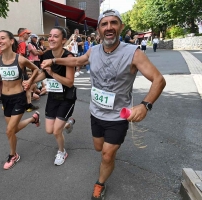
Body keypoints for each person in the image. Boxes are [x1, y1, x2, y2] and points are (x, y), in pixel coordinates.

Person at [41, 9, 166, 199]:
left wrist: (144, 105)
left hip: (118, 116)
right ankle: (109, 150)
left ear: (121, 27)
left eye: (113, 23)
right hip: (96, 113)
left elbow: (158, 79)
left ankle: (100, 183)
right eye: (104, 24)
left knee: (107, 154)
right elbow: (76, 60)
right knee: (99, 148)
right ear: (98, 29)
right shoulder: (94, 50)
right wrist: (53, 59)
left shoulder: (134, 53)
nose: (109, 27)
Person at [0, 30, 40, 170]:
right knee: (13, 130)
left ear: (11, 41)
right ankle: (33, 119)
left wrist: (29, 81)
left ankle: (13, 155)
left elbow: (36, 69)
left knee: (9, 130)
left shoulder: (20, 59)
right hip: (6, 98)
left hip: (19, 98)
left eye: (3, 38)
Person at [29, 26, 76, 166]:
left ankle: (62, 152)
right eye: (50, 35)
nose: (51, 38)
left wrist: (53, 73)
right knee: (49, 130)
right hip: (53, 96)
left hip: (67, 98)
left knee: (56, 131)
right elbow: (44, 73)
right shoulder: (47, 54)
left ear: (63, 40)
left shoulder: (69, 57)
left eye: (56, 36)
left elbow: (69, 82)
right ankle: (68, 123)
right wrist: (31, 82)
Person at [17, 28, 39, 112]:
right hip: (21, 69)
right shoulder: (22, 43)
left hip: (18, 68)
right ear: (22, 34)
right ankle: (28, 105)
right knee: (27, 86)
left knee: (22, 86)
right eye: (27, 33)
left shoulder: (17, 43)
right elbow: (20, 57)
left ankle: (25, 104)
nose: (28, 35)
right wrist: (29, 62)